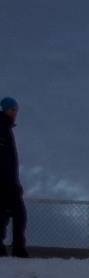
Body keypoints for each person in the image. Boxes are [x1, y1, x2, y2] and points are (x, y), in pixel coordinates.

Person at [0, 97, 28, 258]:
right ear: (5, 109)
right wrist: (9, 182)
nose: (15, 113)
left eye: (16, 110)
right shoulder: (2, 127)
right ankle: (18, 249)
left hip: (8, 181)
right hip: (4, 182)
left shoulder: (6, 128)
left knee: (9, 214)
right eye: (12, 109)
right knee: (17, 213)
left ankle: (16, 248)